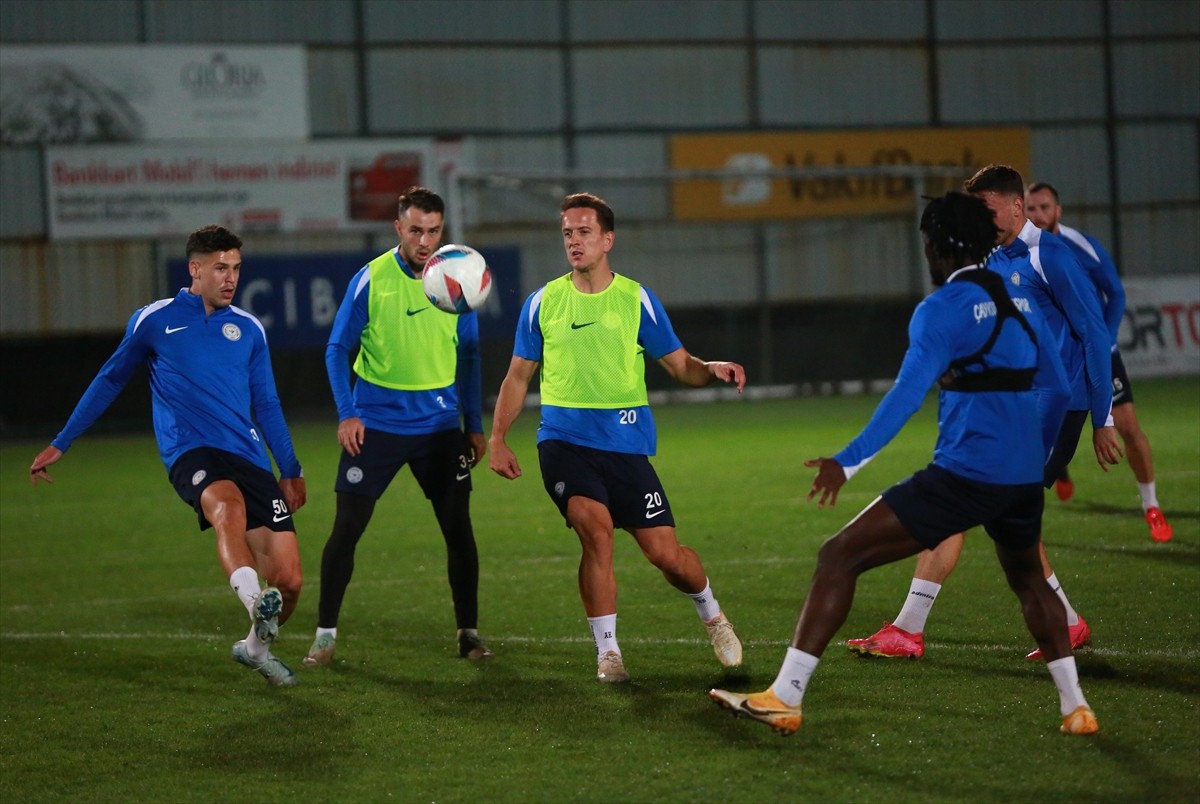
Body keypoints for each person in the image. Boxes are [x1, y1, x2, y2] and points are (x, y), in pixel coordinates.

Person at [710, 191, 1099, 736]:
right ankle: (1075, 707)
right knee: (1030, 580)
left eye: (927, 242)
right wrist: (1034, 460)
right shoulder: (1024, 300)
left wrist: (846, 462)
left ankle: (786, 696)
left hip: (965, 474)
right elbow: (1056, 386)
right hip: (1019, 477)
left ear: (940, 247)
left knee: (838, 556)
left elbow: (904, 398)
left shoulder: (942, 308)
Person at [846, 165, 1122, 662]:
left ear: (1016, 206)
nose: (983, 221)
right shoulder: (993, 257)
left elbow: (1094, 334)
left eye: (989, 210)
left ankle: (911, 629)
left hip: (1056, 408)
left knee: (968, 497)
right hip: (1012, 406)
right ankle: (1064, 623)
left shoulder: (1051, 256)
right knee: (991, 507)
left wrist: (1103, 419)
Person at [29, 225, 306, 687]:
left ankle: (254, 649)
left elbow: (267, 402)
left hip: (249, 455)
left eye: (236, 268)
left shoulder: (249, 328)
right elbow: (110, 378)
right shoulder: (155, 320)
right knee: (227, 507)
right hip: (190, 451)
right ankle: (254, 600)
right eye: (220, 268)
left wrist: (290, 468)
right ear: (195, 269)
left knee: (291, 582)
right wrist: (63, 440)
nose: (230, 278)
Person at [488, 192, 745, 683]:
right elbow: (518, 376)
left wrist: (711, 368)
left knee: (667, 556)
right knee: (596, 531)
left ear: (607, 240)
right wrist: (498, 437)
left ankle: (713, 615)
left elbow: (680, 365)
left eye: (584, 232)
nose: (574, 241)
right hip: (563, 442)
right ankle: (608, 653)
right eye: (568, 233)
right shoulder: (542, 302)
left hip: (626, 446)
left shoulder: (635, 299)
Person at [303, 186, 492, 667]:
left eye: (433, 231)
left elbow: (470, 356)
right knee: (347, 529)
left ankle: (469, 634)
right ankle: (324, 637)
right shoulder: (372, 279)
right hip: (376, 426)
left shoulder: (459, 278)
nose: (424, 241)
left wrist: (473, 423)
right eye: (415, 231)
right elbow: (336, 349)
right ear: (398, 228)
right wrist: (347, 412)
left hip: (439, 427)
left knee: (459, 530)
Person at [1026, 181, 1173, 542]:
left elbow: (1115, 292)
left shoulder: (1080, 245)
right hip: (1051, 361)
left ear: (1058, 210)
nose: (1038, 214)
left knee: (1128, 427)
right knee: (1037, 433)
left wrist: (1105, 338)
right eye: (1031, 208)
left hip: (1095, 353)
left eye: (1045, 207)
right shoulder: (1019, 251)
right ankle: (1041, 499)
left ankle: (1152, 506)